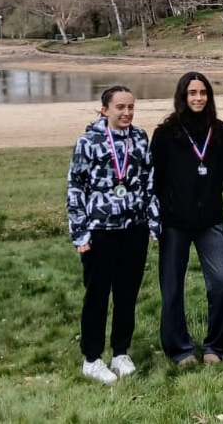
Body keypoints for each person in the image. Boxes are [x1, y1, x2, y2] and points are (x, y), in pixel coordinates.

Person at [67, 85, 160, 384]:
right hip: (100, 230)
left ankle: (120, 352)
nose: (127, 113)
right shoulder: (88, 142)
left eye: (131, 107)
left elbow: (149, 182)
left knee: (127, 294)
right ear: (105, 110)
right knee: (97, 295)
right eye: (120, 107)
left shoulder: (140, 138)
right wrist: (80, 233)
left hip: (133, 228)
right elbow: (76, 187)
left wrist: (152, 222)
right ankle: (91, 358)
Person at [151, 72, 223, 365]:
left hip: (210, 220)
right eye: (192, 93)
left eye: (203, 93)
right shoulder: (165, 134)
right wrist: (161, 214)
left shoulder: (221, 131)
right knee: (172, 287)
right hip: (175, 223)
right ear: (182, 97)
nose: (198, 98)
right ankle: (180, 349)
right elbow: (156, 180)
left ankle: (216, 347)